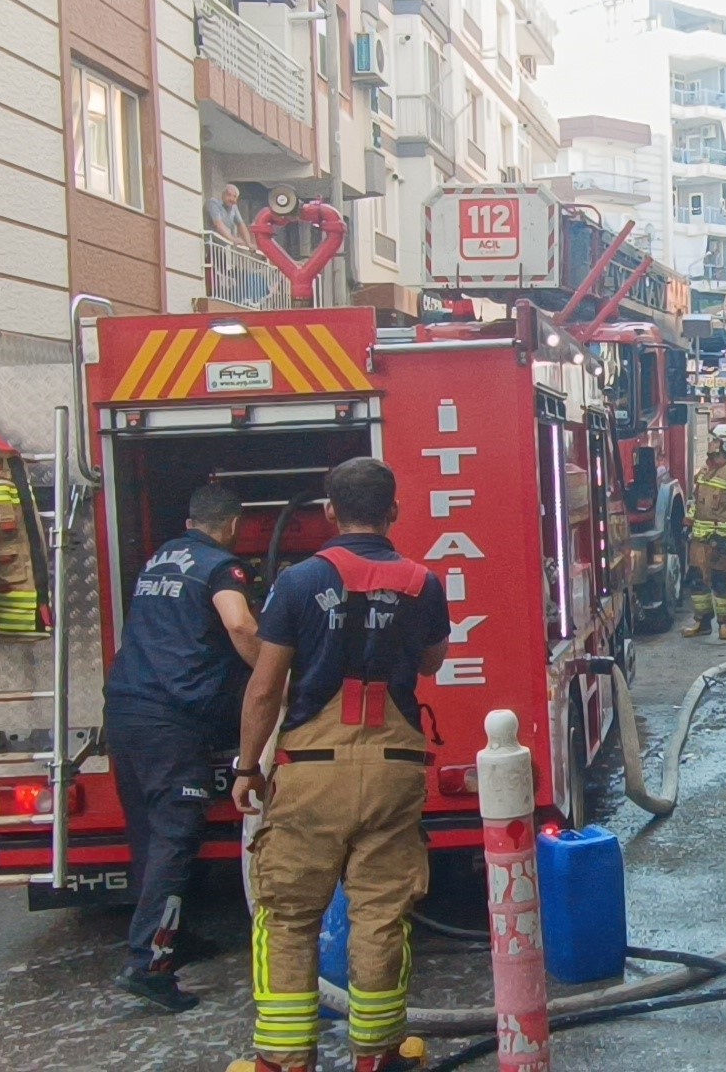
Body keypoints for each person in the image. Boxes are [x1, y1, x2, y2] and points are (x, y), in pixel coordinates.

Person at [229, 459, 451, 1072]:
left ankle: (283, 1061)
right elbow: (432, 661)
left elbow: (266, 686)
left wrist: (248, 768)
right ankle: (376, 1057)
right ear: (394, 512)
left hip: (311, 771)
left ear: (329, 511)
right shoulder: (422, 582)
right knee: (380, 915)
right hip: (393, 767)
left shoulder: (298, 582)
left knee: (291, 916)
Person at [104, 484, 260, 1013]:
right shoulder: (222, 566)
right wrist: (272, 672)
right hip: (171, 719)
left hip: (125, 709)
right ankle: (148, 964)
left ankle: (175, 936)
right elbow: (238, 622)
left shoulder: (159, 559)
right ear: (234, 525)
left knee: (149, 836)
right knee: (176, 835)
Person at [682, 424, 726, 640]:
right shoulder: (705, 471)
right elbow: (696, 500)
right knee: (697, 582)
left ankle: (724, 625)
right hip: (700, 540)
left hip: (721, 540)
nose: (710, 443)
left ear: (724, 444)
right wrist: (688, 524)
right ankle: (702, 622)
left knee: (720, 582)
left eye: (714, 440)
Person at [207, 184, 255, 251]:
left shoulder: (234, 207)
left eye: (234, 197)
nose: (232, 199)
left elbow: (241, 225)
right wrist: (233, 239)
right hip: (212, 246)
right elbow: (218, 224)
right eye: (229, 195)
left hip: (225, 248)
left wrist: (248, 243)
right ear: (223, 195)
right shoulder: (214, 203)